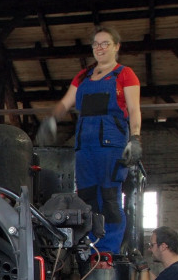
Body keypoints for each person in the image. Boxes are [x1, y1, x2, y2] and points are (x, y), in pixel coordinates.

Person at [37, 25, 142, 255]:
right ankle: (90, 248)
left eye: (105, 43)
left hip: (111, 146)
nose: (99, 48)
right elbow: (66, 103)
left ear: (116, 47)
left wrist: (135, 138)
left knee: (109, 198)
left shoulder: (125, 74)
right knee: (87, 198)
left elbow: (134, 109)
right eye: (96, 44)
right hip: (85, 147)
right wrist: (52, 119)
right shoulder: (83, 76)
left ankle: (108, 251)